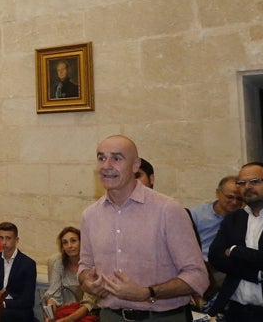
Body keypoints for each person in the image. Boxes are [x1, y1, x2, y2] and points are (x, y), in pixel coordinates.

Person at [79, 135, 207, 322]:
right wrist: (87, 282)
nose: (106, 165)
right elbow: (84, 267)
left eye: (116, 158)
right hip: (110, 316)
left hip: (162, 317)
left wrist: (147, 293)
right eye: (101, 158)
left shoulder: (167, 209)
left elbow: (197, 276)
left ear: (135, 165)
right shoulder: (90, 215)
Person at [207, 162, 263, 322]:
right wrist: (256, 273)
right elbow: (215, 257)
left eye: (255, 181)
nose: (247, 187)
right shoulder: (234, 218)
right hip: (235, 310)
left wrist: (237, 251)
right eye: (242, 183)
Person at [43, 226, 99, 322]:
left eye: (73, 241)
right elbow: (53, 296)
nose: (69, 246)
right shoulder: (57, 262)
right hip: (63, 311)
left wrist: (67, 320)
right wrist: (50, 315)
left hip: (87, 314)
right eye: (65, 242)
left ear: (82, 243)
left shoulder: (92, 264)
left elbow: (89, 304)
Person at [0, 221, 37, 322]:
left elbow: (27, 300)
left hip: (19, 309)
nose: (4, 242)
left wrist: (3, 304)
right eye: (1, 238)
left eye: (8, 238)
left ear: (16, 240)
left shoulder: (28, 264)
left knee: (2, 316)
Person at [190, 175, 243, 260]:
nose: (234, 202)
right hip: (200, 264)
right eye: (230, 197)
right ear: (218, 193)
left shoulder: (244, 219)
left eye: (239, 199)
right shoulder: (196, 215)